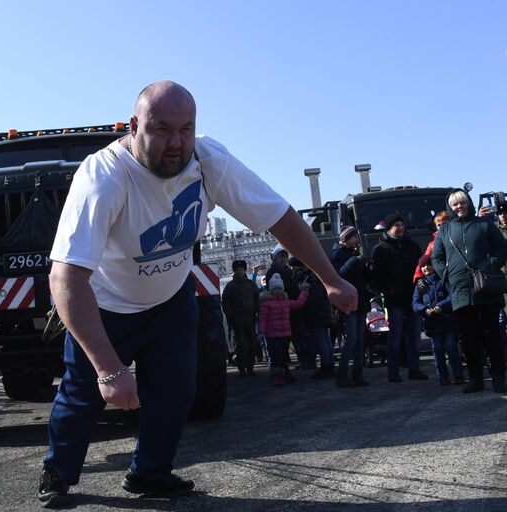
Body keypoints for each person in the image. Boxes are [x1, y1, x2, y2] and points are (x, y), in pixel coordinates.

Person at [38, 80, 357, 508]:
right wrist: (110, 370)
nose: (177, 143)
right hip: (106, 304)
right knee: (82, 395)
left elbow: (279, 216)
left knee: (175, 392)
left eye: (186, 129)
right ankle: (58, 472)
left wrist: (330, 277)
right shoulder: (104, 176)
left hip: (171, 299)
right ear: (134, 127)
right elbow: (65, 279)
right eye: (163, 129)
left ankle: (149, 472)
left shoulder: (208, 161)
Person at [432, 189, 507, 393]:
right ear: (450, 207)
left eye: (462, 202)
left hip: (487, 290)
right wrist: (447, 274)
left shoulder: (485, 225)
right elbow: (436, 258)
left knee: (492, 335)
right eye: (455, 204)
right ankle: (476, 379)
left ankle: (499, 376)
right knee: (469, 338)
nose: (459, 207)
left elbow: (502, 248)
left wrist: (491, 263)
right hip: (461, 293)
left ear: (469, 203)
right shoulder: (445, 231)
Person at [371, 214, 428, 382]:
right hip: (394, 299)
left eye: (402, 224)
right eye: (396, 225)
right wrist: (389, 291)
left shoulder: (412, 246)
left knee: (415, 335)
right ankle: (393, 371)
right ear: (389, 228)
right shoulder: (380, 249)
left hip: (413, 297)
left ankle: (414, 369)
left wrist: (421, 285)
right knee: (395, 336)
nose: (400, 227)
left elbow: (420, 268)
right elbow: (377, 276)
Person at [412, 254, 465, 385]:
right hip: (432, 324)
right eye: (423, 266)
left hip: (448, 321)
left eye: (428, 265)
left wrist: (441, 306)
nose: (426, 268)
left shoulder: (443, 280)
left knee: (452, 347)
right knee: (438, 350)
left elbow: (452, 296)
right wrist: (425, 310)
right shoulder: (420, 285)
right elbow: (415, 303)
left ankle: (459, 376)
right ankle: (443, 377)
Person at [331, 225, 372, 387]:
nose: (357, 240)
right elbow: (340, 274)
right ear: (345, 239)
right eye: (354, 237)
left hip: (360, 300)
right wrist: (355, 260)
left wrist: (368, 268)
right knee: (352, 339)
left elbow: (362, 278)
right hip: (348, 301)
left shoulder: (353, 254)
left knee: (360, 339)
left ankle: (357, 373)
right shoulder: (337, 254)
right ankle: (341, 375)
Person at [258, 273, 309, 386]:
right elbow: (262, 318)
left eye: (279, 288)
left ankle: (280, 376)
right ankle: (276, 377)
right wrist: (262, 331)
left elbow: (298, 304)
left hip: (285, 334)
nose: (277, 291)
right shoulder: (267, 304)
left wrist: (304, 292)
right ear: (270, 289)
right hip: (272, 335)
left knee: (282, 356)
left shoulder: (285, 302)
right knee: (277, 357)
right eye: (275, 288)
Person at [289, 256, 336, 380]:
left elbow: (312, 298)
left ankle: (326, 367)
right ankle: (330, 365)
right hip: (325, 312)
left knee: (322, 341)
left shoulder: (309, 278)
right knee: (326, 340)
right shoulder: (318, 275)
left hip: (317, 313)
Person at [221, 260, 260, 377]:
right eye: (238, 270)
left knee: (252, 344)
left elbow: (257, 298)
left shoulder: (251, 284)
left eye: (242, 270)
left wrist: (257, 311)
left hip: (250, 319)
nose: (240, 272)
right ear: (234, 271)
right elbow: (225, 302)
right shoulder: (230, 286)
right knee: (242, 345)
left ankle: (250, 368)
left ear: (244, 270)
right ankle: (242, 368)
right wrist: (230, 315)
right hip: (237, 321)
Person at [412, 211, 450, 283]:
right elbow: (422, 260)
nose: (442, 227)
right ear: (436, 227)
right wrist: (418, 277)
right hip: (440, 278)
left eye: (444, 224)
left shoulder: (458, 238)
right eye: (439, 225)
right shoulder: (432, 244)